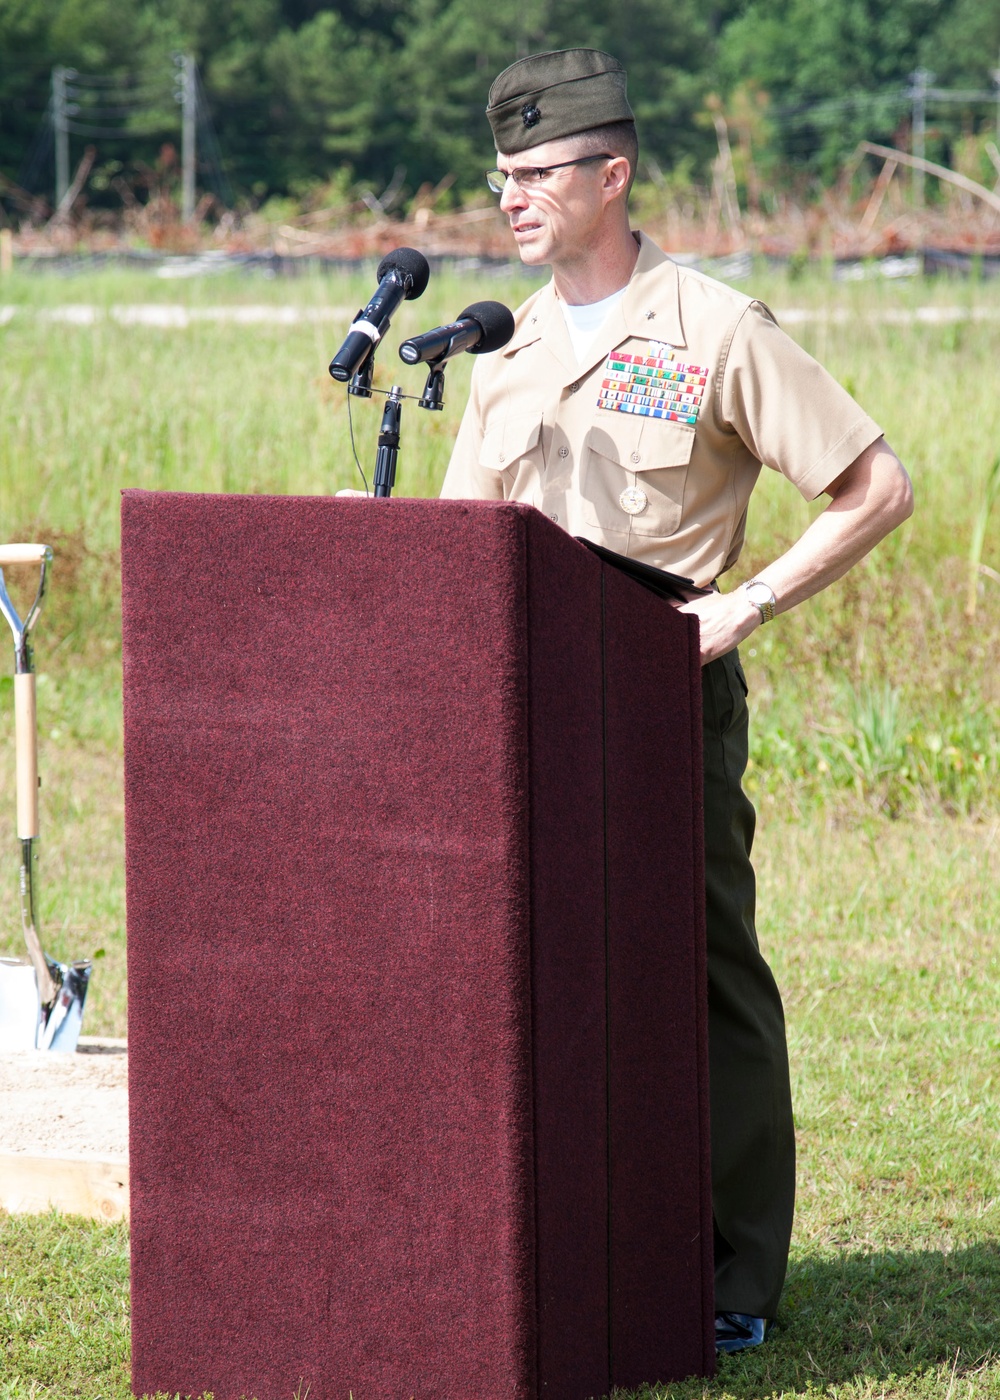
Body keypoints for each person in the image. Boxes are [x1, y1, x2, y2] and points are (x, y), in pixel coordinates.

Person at [439, 47, 914, 1353]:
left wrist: (744, 605)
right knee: (527, 975)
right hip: (524, 703)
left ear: (614, 172)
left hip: (660, 693)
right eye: (504, 173)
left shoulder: (714, 327)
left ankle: (735, 1276)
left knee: (703, 980)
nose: (513, 195)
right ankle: (563, 1241)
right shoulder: (504, 345)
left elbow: (877, 486)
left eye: (539, 172)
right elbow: (457, 538)